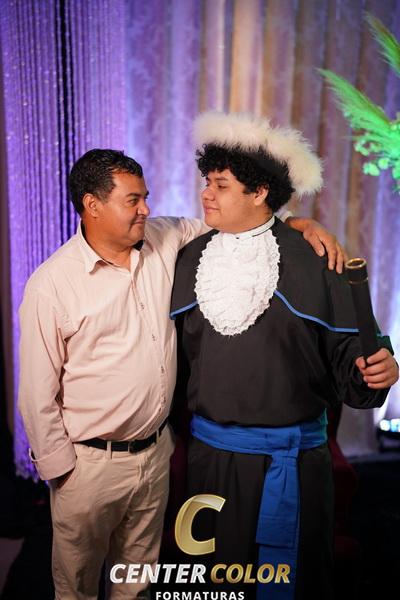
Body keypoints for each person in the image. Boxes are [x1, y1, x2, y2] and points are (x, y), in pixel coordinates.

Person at [18, 148, 347, 600]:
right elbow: (36, 392)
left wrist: (299, 223)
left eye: (145, 197)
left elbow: (242, 219)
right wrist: (64, 474)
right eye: (133, 200)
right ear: (92, 205)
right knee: (76, 589)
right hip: (88, 466)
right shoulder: (52, 284)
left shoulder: (165, 237)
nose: (146, 209)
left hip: (155, 457)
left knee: (137, 585)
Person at [170, 112, 399, 600]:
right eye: (207, 182)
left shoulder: (316, 259)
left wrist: (380, 369)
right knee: (212, 585)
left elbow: (355, 362)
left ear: (259, 193)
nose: (206, 193)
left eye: (221, 185)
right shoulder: (187, 259)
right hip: (210, 463)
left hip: (292, 466)